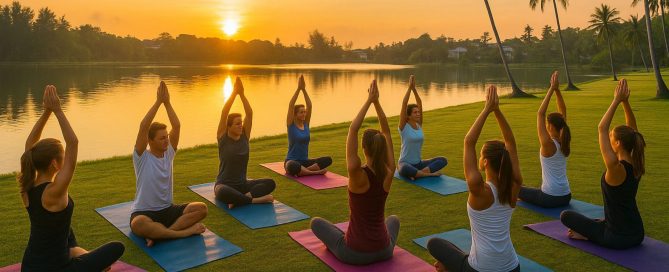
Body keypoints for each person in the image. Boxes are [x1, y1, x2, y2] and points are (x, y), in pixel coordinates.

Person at [19, 85, 125, 271]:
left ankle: (78, 253)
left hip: (29, 265)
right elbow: (73, 143)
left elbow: (30, 146)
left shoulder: (26, 186)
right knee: (117, 248)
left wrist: (46, 111)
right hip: (56, 268)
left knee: (67, 232)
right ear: (54, 163)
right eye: (62, 155)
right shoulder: (55, 190)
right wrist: (57, 110)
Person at [428, 86, 522, 272]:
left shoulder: (480, 190)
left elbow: (468, 141)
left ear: (485, 162)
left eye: (480, 155)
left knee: (434, 244)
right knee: (461, 252)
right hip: (512, 267)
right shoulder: (514, 184)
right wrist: (497, 111)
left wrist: (488, 109)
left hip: (481, 269)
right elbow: (510, 142)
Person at [309, 80, 399, 265]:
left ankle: (344, 239)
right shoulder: (389, 172)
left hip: (355, 253)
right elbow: (387, 132)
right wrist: (377, 103)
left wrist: (369, 101)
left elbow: (353, 129)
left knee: (316, 223)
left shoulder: (357, 174)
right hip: (384, 250)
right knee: (394, 220)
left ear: (364, 149)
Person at [560, 79, 645, 249]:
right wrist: (625, 102)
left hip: (617, 237)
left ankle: (587, 237)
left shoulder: (616, 167)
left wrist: (616, 100)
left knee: (566, 216)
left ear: (619, 143)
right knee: (595, 222)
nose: (610, 140)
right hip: (636, 232)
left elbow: (602, 128)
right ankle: (596, 229)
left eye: (612, 138)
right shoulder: (636, 162)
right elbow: (633, 131)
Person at [129, 81, 208, 247]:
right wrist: (158, 102)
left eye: (167, 137)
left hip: (168, 210)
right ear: (150, 141)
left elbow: (177, 126)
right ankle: (183, 233)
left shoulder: (168, 154)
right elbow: (143, 126)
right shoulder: (141, 157)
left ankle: (162, 234)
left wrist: (168, 102)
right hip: (145, 212)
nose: (167, 140)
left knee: (201, 208)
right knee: (138, 224)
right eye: (162, 138)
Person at [215, 77, 276, 209]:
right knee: (222, 192)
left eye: (241, 123)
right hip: (224, 185)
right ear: (228, 127)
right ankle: (257, 200)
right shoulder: (223, 138)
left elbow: (249, 113)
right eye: (237, 124)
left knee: (270, 183)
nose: (240, 126)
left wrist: (241, 94)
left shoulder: (245, 136)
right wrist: (233, 93)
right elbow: (224, 113)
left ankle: (240, 199)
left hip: (242, 185)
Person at [519, 71, 572, 207]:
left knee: (515, 187)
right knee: (527, 188)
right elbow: (563, 109)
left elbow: (540, 114)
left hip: (549, 198)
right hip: (566, 196)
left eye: (548, 124)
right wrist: (557, 90)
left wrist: (551, 89)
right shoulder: (564, 141)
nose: (546, 126)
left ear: (551, 127)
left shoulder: (548, 144)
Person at [397, 75, 447, 180]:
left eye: (418, 112)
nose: (418, 114)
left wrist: (414, 89)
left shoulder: (419, 125)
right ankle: (428, 174)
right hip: (405, 163)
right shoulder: (403, 127)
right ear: (408, 115)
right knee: (405, 170)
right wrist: (409, 88)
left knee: (442, 160)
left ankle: (418, 174)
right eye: (415, 112)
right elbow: (404, 103)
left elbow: (419, 103)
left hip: (419, 164)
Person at [284, 75, 333, 176]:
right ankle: (313, 172)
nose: (304, 114)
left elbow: (309, 105)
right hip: (292, 161)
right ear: (295, 114)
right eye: (301, 112)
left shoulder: (306, 124)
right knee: (292, 166)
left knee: (328, 160)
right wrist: (298, 89)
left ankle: (304, 172)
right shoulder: (291, 125)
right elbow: (291, 105)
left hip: (305, 162)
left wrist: (304, 89)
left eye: (304, 112)